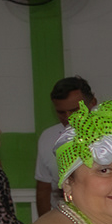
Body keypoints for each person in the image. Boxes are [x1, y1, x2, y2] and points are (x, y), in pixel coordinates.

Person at [33, 76, 96, 216]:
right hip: (63, 221)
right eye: (61, 112)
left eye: (74, 110)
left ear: (92, 103)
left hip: (108, 221)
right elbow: (43, 188)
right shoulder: (47, 137)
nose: (68, 117)